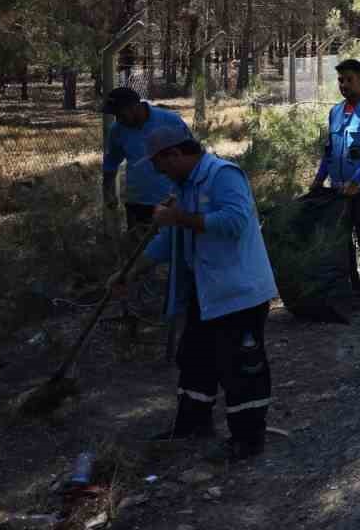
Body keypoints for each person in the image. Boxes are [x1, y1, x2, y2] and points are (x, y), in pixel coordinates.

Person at [112, 126, 278, 462]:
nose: (159, 172)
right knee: (195, 359)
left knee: (242, 368)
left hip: (238, 293)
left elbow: (235, 222)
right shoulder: (183, 186)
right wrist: (130, 272)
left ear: (175, 154)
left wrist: (180, 217)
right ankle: (192, 424)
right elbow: (169, 239)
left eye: (160, 164)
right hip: (205, 291)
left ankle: (248, 440)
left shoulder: (223, 176)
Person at [311, 58, 360, 302]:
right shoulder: (335, 112)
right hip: (339, 190)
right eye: (341, 80)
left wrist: (356, 180)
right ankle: (352, 289)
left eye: (349, 79)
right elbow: (330, 151)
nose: (344, 84)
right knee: (343, 242)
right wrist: (319, 179)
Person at [102, 87, 192, 229]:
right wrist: (108, 192)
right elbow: (111, 163)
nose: (118, 119)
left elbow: (191, 156)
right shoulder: (117, 130)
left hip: (171, 201)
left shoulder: (170, 121)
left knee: (172, 241)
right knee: (139, 241)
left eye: (120, 114)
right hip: (137, 203)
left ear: (135, 107)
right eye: (115, 115)